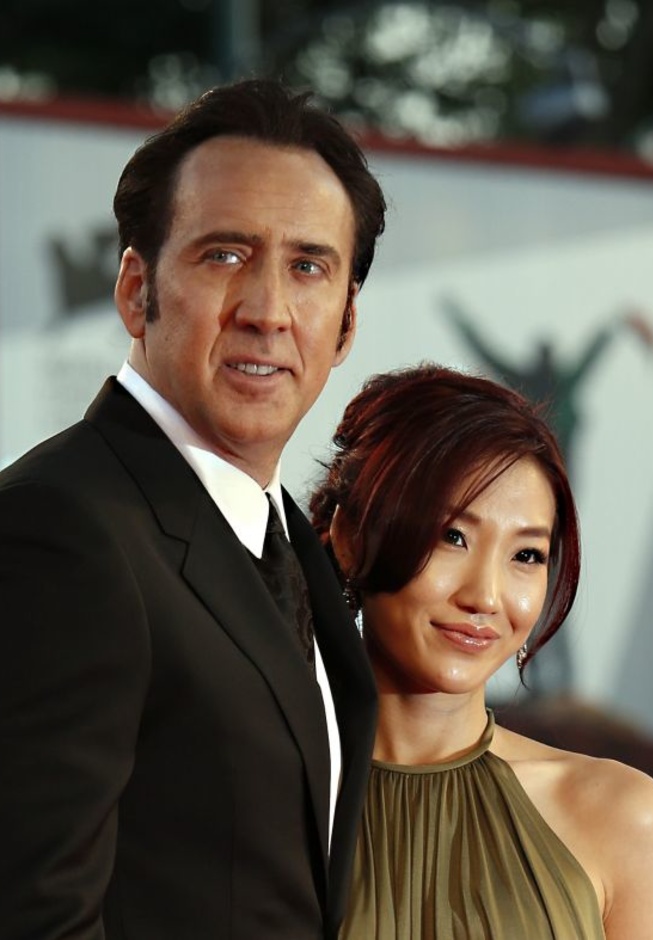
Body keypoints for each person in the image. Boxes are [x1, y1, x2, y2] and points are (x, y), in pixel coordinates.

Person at [0, 79, 386, 940]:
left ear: (345, 324)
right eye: (225, 255)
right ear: (136, 290)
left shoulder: (289, 540)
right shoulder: (59, 530)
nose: (267, 312)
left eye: (307, 266)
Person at [310, 363, 653, 939]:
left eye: (526, 555)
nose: (485, 596)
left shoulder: (623, 817)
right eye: (451, 537)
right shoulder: (263, 796)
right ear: (351, 538)